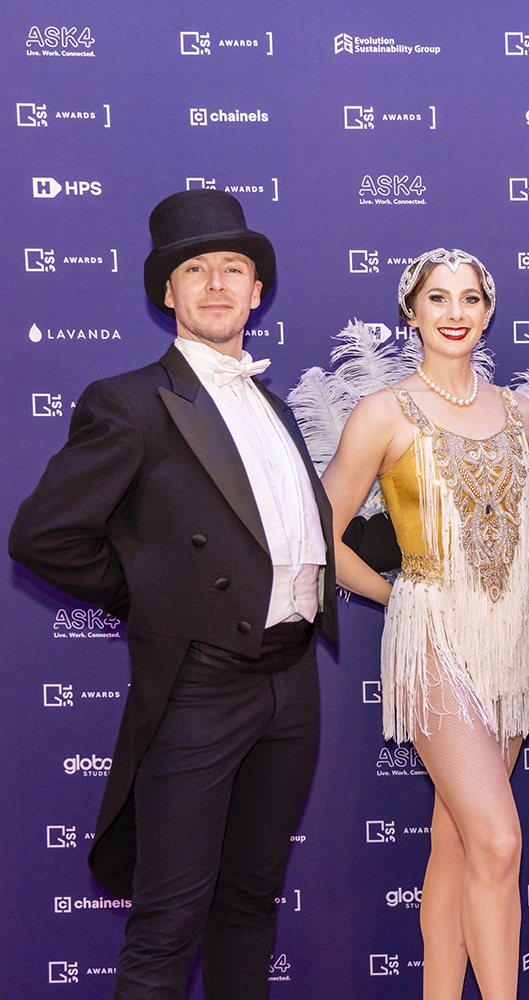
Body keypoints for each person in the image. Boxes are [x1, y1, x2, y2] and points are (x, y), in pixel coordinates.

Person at [9, 189, 336, 999]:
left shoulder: (274, 403)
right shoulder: (127, 402)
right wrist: (159, 601)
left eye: (234, 269)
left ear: (258, 290)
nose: (218, 284)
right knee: (168, 922)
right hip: (200, 683)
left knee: (249, 903)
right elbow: (42, 536)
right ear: (168, 293)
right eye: (196, 270)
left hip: (292, 682)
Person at [319, 248, 529, 999]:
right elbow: (316, 538)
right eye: (438, 298)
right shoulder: (384, 411)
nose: (455, 313)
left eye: (470, 299)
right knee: (499, 837)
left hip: (508, 641)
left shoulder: (523, 415)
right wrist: (402, 599)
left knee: (456, 843)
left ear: (489, 312)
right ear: (410, 312)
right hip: (433, 643)